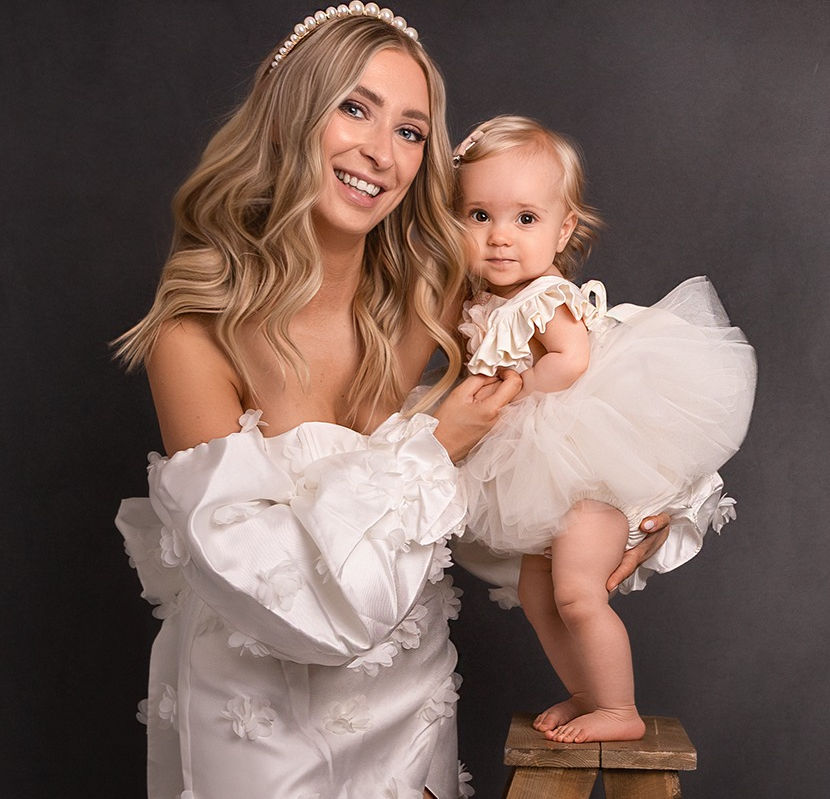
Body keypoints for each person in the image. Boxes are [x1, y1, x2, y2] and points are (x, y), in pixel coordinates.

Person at [114, 10, 678, 799]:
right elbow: (272, 591)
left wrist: (647, 505)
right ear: (290, 114)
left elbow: (592, 383)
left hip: (409, 713)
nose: (381, 153)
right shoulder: (195, 334)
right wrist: (432, 444)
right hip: (256, 725)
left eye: (411, 131)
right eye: (354, 107)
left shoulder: (439, 299)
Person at [453, 116, 756, 744]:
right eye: (479, 216)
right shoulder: (484, 303)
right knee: (539, 595)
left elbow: (571, 360)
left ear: (564, 229)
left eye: (525, 219)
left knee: (576, 592)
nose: (500, 237)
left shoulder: (543, 296)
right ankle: (588, 691)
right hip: (543, 469)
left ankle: (620, 708)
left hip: (588, 465)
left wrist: (510, 398)